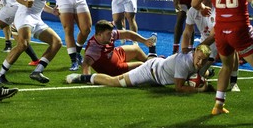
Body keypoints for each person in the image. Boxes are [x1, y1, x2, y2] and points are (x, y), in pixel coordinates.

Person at [0, 0, 62, 84]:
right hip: (24, 15)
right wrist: (25, 2)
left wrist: (52, 11)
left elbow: (41, 4)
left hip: (37, 19)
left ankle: (37, 71)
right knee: (23, 44)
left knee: (57, 42)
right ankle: (0, 74)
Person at [66, 45, 212, 93]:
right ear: (194, 54)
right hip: (150, 71)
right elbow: (179, 88)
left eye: (203, 60)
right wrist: (199, 89)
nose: (200, 62)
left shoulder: (196, 59)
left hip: (160, 70)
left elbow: (201, 71)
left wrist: (204, 75)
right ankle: (82, 77)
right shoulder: (184, 62)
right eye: (198, 58)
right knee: (116, 82)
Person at [181, 1, 240, 92]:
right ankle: (208, 73)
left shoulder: (218, 10)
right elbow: (187, 32)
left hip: (223, 38)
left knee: (232, 52)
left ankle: (233, 82)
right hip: (206, 40)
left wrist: (196, 49)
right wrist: (184, 49)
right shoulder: (192, 10)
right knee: (195, 74)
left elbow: (214, 36)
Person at [82, 20, 157, 76]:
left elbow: (128, 34)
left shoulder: (109, 35)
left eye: (111, 33)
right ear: (99, 34)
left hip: (116, 54)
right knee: (141, 66)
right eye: (108, 34)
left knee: (136, 49)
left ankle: (151, 63)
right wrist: (87, 78)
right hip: (114, 69)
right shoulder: (93, 49)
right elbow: (86, 64)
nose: (111, 36)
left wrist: (145, 41)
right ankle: (153, 64)